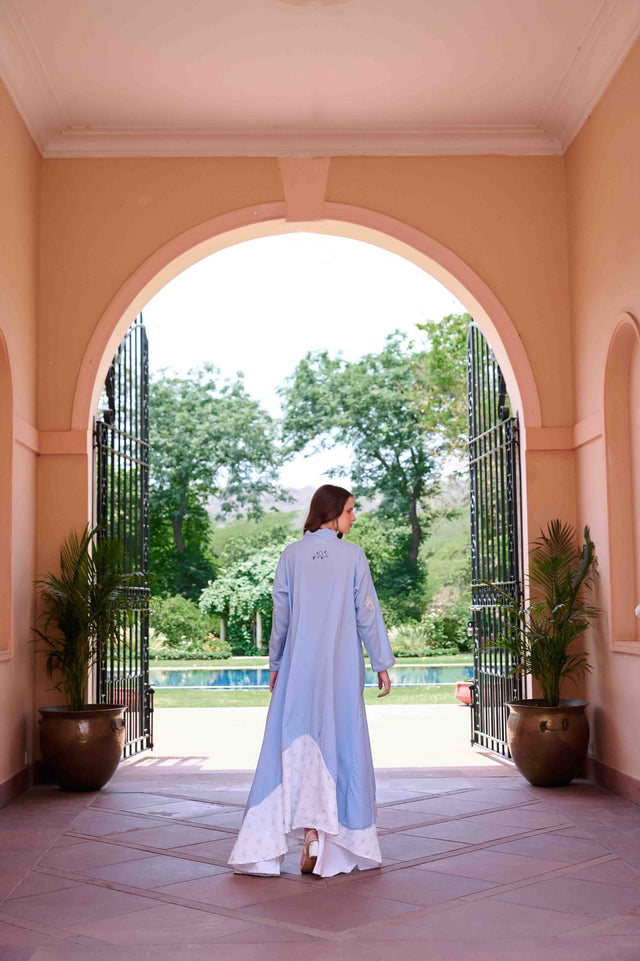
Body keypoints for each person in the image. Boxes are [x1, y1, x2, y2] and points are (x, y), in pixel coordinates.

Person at [227, 484, 395, 878]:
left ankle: (298, 839)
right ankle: (334, 845)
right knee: (341, 746)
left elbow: (280, 617)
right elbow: (367, 613)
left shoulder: (291, 555)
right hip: (338, 675)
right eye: (351, 511)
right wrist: (380, 662)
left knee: (288, 750)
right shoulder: (353, 557)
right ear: (332, 512)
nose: (354, 518)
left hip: (297, 673)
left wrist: (275, 663)